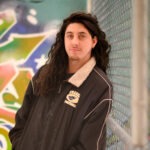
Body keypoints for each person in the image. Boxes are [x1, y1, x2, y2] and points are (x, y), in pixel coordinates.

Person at [9, 12, 113, 150]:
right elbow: (21, 121)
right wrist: (20, 145)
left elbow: (89, 145)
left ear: (94, 41)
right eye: (70, 36)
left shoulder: (99, 87)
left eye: (82, 36)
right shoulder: (44, 74)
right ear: (63, 40)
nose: (75, 42)